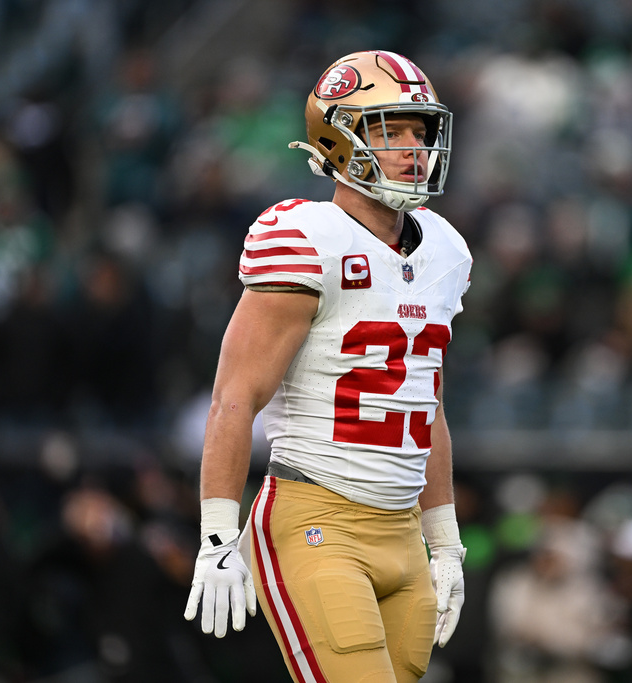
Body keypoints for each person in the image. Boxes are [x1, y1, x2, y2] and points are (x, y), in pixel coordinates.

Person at [183, 50, 472, 683]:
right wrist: (215, 536)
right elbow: (234, 397)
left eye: (419, 131)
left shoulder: (445, 249)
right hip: (319, 519)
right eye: (388, 130)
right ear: (336, 138)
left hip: (402, 532)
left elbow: (428, 407)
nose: (411, 149)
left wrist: (444, 539)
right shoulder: (308, 236)